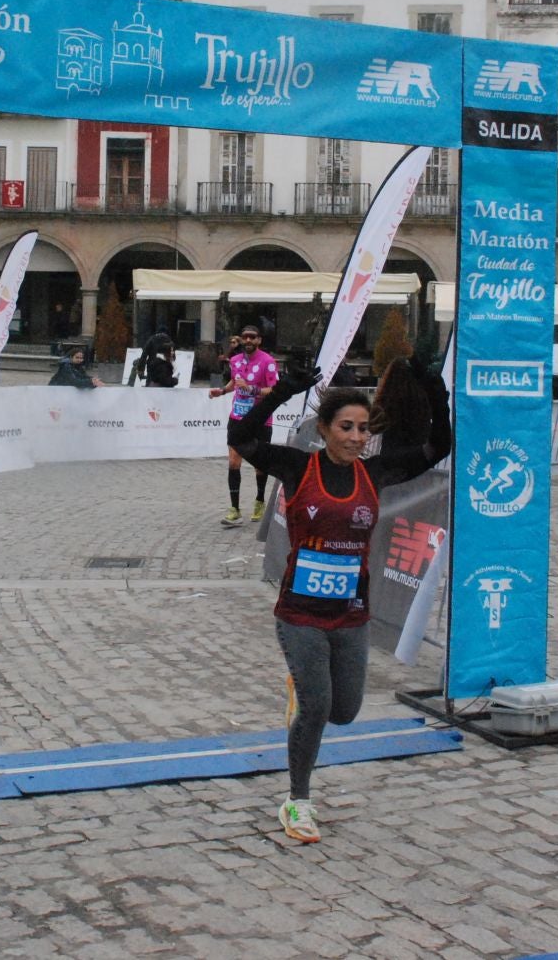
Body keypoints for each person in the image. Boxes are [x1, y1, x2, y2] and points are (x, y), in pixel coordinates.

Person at [229, 356, 450, 845]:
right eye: (345, 427)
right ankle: (298, 801)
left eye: (363, 429)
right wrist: (281, 391)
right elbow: (241, 439)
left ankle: (306, 695)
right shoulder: (297, 466)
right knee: (316, 706)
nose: (355, 437)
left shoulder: (377, 472)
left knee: (345, 711)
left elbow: (440, 446)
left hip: (351, 615)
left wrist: (436, 391)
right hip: (300, 614)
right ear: (325, 429)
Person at [209, 326, 279, 524]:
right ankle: (234, 508)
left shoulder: (268, 362)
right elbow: (234, 382)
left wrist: (252, 389)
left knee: (260, 464)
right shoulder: (234, 360)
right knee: (233, 461)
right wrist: (221, 391)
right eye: (245, 337)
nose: (248, 340)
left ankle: (259, 500)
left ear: (259, 340)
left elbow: (274, 390)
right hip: (238, 418)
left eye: (252, 337)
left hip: (260, 419)